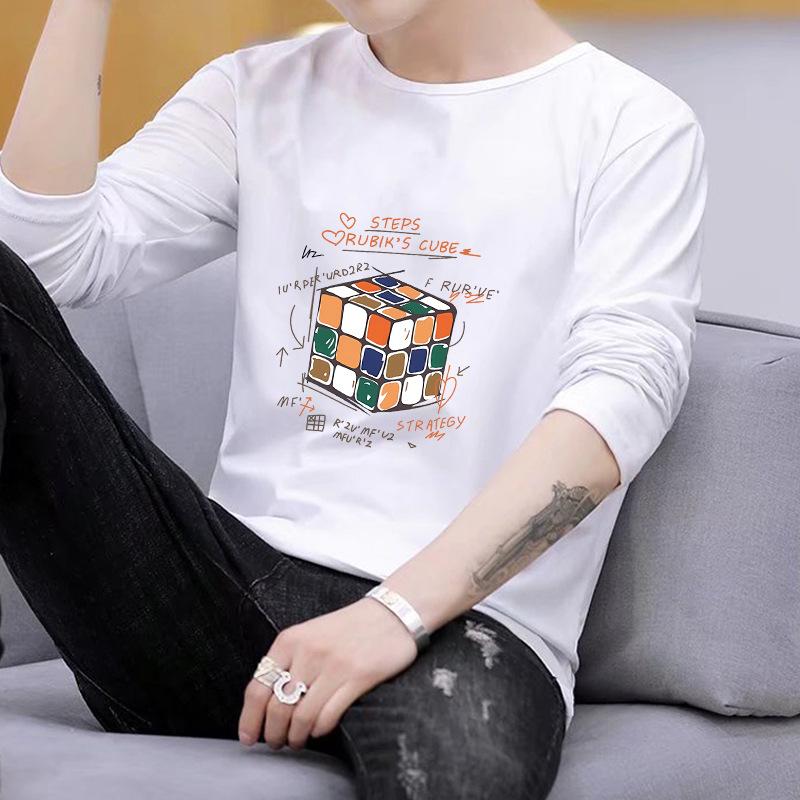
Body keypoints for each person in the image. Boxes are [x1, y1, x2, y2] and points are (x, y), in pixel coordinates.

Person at [0, 0, 707, 797]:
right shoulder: (257, 91)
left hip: (464, 624)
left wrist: (395, 612)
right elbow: (40, 259)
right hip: (217, 597)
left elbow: (622, 395)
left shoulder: (628, 124)